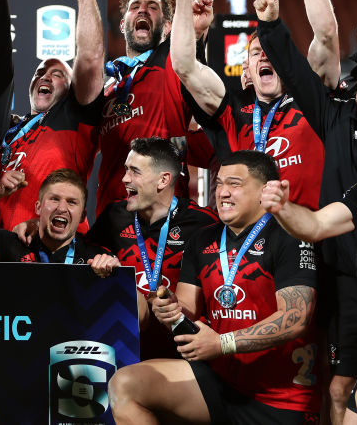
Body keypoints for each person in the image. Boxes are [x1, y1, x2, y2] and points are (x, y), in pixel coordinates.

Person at [255, 0, 357, 418]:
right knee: (346, 390)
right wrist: (270, 27)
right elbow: (299, 75)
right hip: (351, 276)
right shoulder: (336, 118)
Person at [110, 151, 320, 424]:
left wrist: (223, 343)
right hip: (220, 385)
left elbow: (296, 318)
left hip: (282, 396)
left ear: (265, 190)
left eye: (234, 184)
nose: (222, 192)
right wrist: (170, 309)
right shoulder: (202, 239)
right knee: (125, 384)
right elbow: (186, 311)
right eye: (219, 183)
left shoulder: (290, 234)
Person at [96, 0, 217, 215]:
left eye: (153, 7)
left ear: (167, 27)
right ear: (122, 25)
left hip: (168, 219)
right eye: (136, 7)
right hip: (112, 219)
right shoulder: (105, 83)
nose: (143, 10)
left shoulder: (172, 64)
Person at [171, 0, 324, 210]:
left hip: (303, 236)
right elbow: (184, 66)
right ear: (248, 72)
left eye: (270, 51)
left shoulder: (314, 104)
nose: (264, 56)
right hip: (246, 240)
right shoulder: (234, 110)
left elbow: (326, 35)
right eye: (255, 53)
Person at [0, 0, 103, 232]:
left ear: (71, 89)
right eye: (39, 72)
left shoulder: (74, 118)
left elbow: (90, 58)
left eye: (57, 74)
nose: (44, 76)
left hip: (54, 251)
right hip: (3, 252)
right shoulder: (10, 131)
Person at [89, 136, 218, 359]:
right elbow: (81, 253)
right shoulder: (113, 216)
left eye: (134, 171)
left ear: (163, 180)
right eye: (125, 169)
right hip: (123, 350)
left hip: (182, 354)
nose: (124, 179)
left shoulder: (204, 223)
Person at [0, 168, 109, 265]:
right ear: (38, 207)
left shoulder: (96, 259)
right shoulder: (12, 244)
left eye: (71, 202)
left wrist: (113, 268)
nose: (61, 208)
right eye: (54, 199)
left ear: (82, 216)